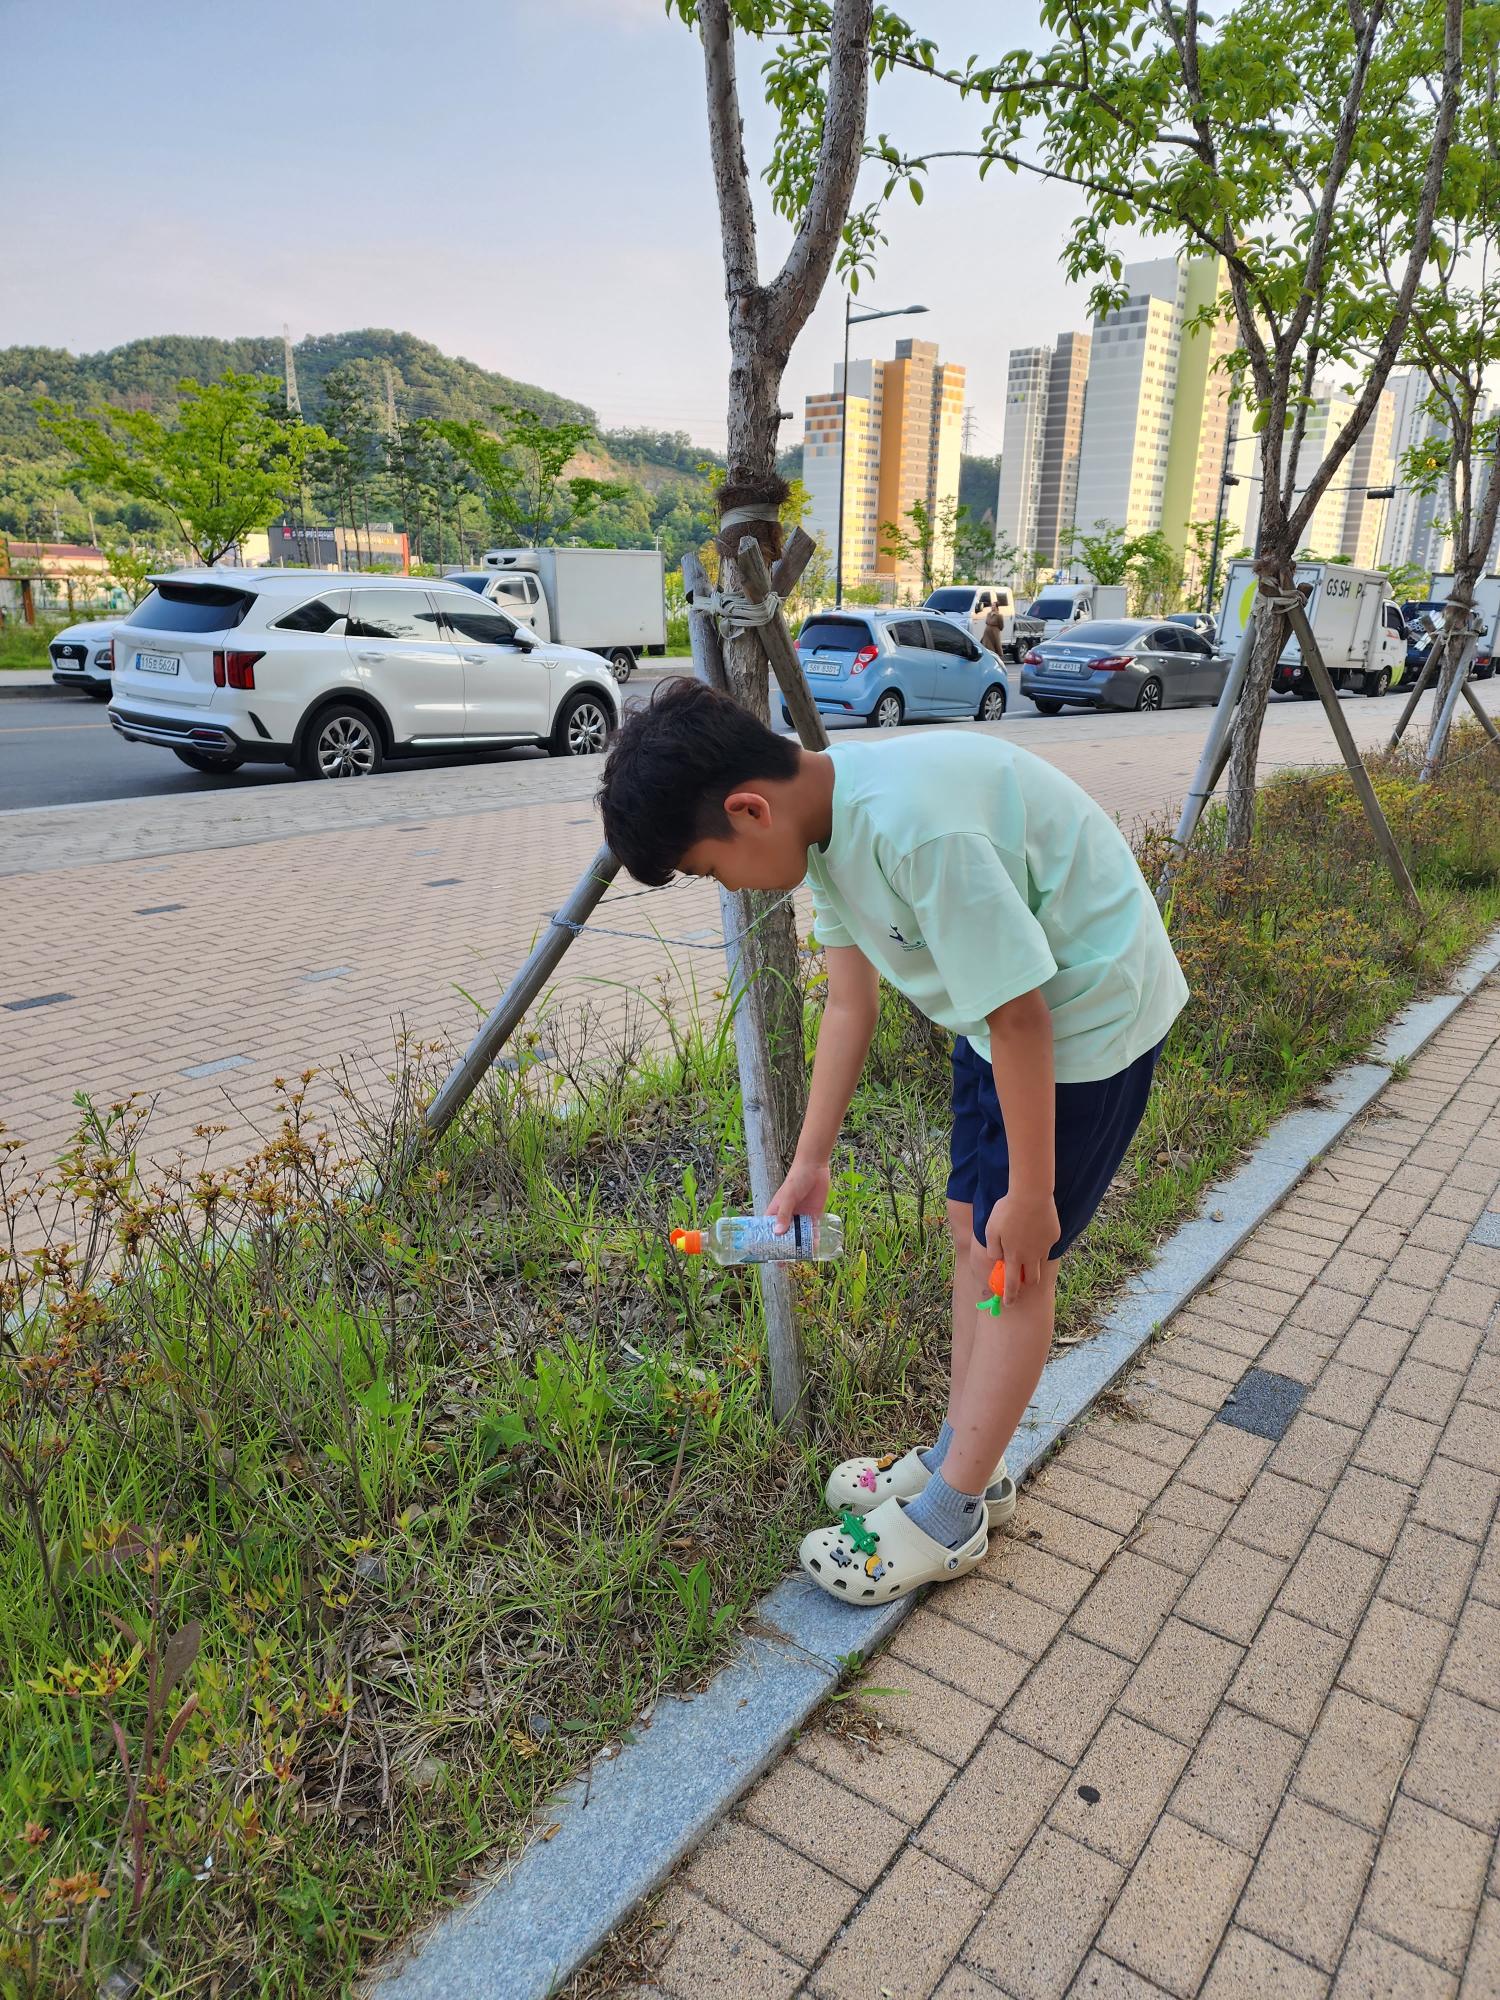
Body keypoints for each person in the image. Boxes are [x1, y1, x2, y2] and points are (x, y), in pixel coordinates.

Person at [596, 679, 1187, 1604]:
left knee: (1013, 1262)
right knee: (969, 1226)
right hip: (999, 1018)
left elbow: (1027, 1019)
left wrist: (1032, 1198)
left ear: (748, 809)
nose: (730, 889)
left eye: (713, 870)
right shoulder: (822, 827)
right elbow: (849, 1001)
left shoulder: (912, 831)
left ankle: (952, 1518)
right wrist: (808, 1163)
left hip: (1081, 1019)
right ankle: (966, 1456)